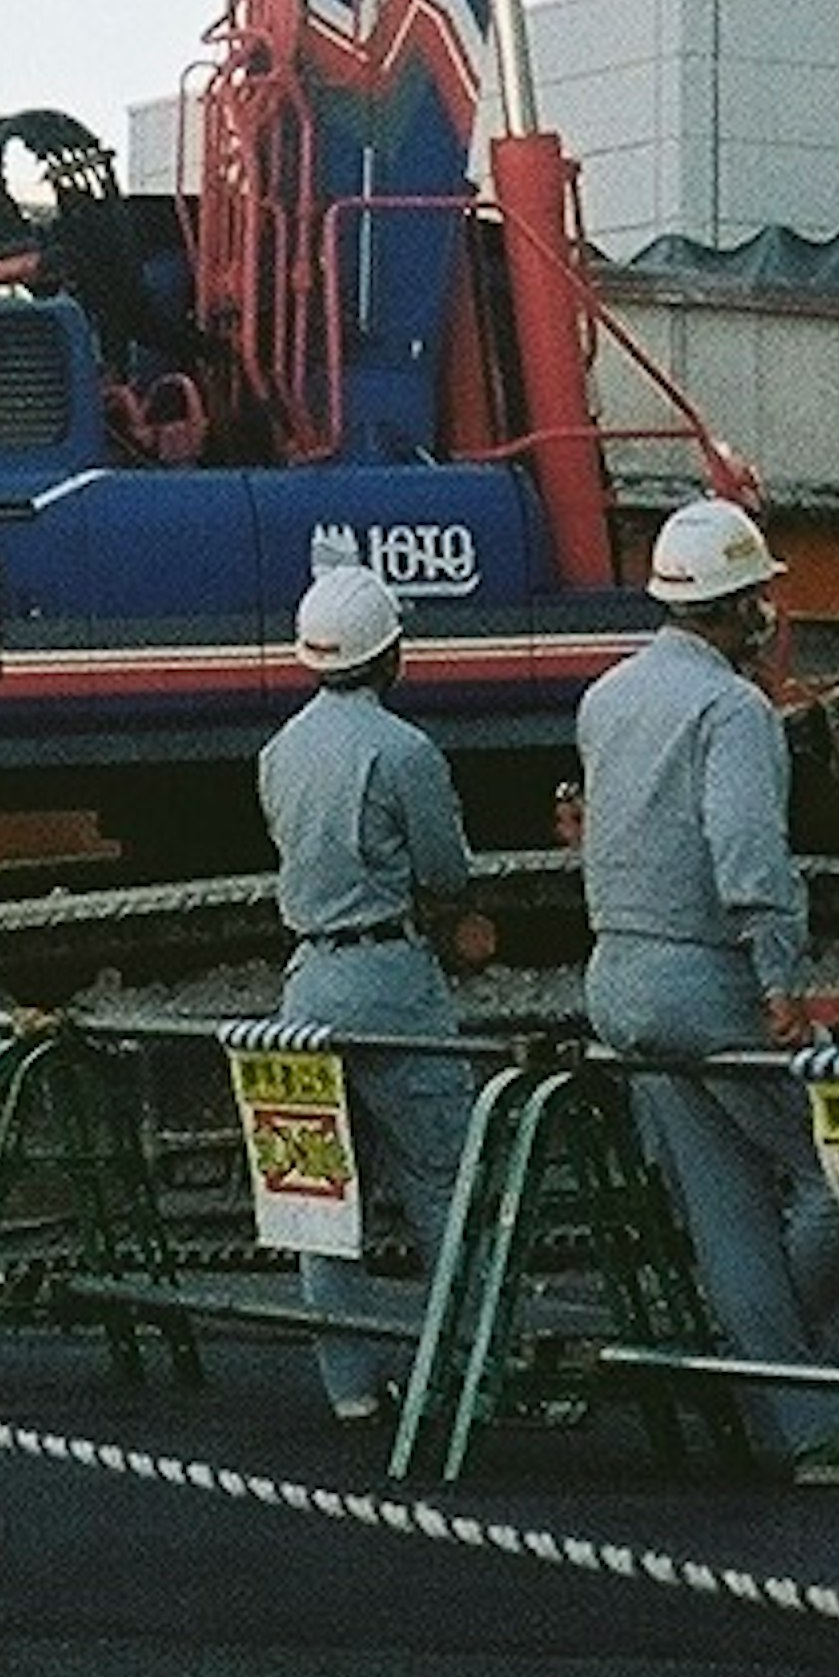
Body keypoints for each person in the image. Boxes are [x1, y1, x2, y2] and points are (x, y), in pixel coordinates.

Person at [575, 499, 839, 1491]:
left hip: (619, 979)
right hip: (704, 977)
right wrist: (782, 980)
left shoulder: (608, 696)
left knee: (725, 1213)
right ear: (743, 606)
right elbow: (749, 855)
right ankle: (796, 1383)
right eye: (759, 595)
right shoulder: (732, 709)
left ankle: (797, 1412)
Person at [258, 557, 496, 1425]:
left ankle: (352, 1387)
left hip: (307, 982)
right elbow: (445, 875)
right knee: (444, 1180)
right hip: (389, 977)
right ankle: (466, 1373)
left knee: (322, 1196)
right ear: (389, 655)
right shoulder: (404, 751)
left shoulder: (279, 751)